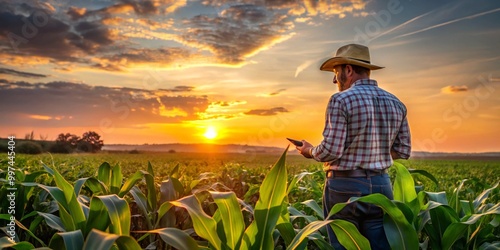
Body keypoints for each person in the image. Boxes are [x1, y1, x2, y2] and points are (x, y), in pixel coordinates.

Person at [296, 43, 411, 250]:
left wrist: (309, 151)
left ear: (348, 70)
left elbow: (331, 150)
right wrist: (374, 153)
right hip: (381, 186)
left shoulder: (341, 100)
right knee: (380, 245)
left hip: (344, 187)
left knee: (344, 243)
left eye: (335, 72)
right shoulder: (397, 103)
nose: (334, 79)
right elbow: (403, 150)